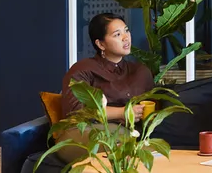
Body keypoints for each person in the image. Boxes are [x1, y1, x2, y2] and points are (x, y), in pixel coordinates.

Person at [53, 14, 155, 164]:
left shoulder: (141, 72)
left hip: (125, 134)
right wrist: (123, 112)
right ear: (101, 44)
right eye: (117, 34)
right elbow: (75, 113)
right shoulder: (83, 70)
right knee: (123, 149)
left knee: (149, 151)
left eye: (126, 31)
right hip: (82, 133)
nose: (126, 38)